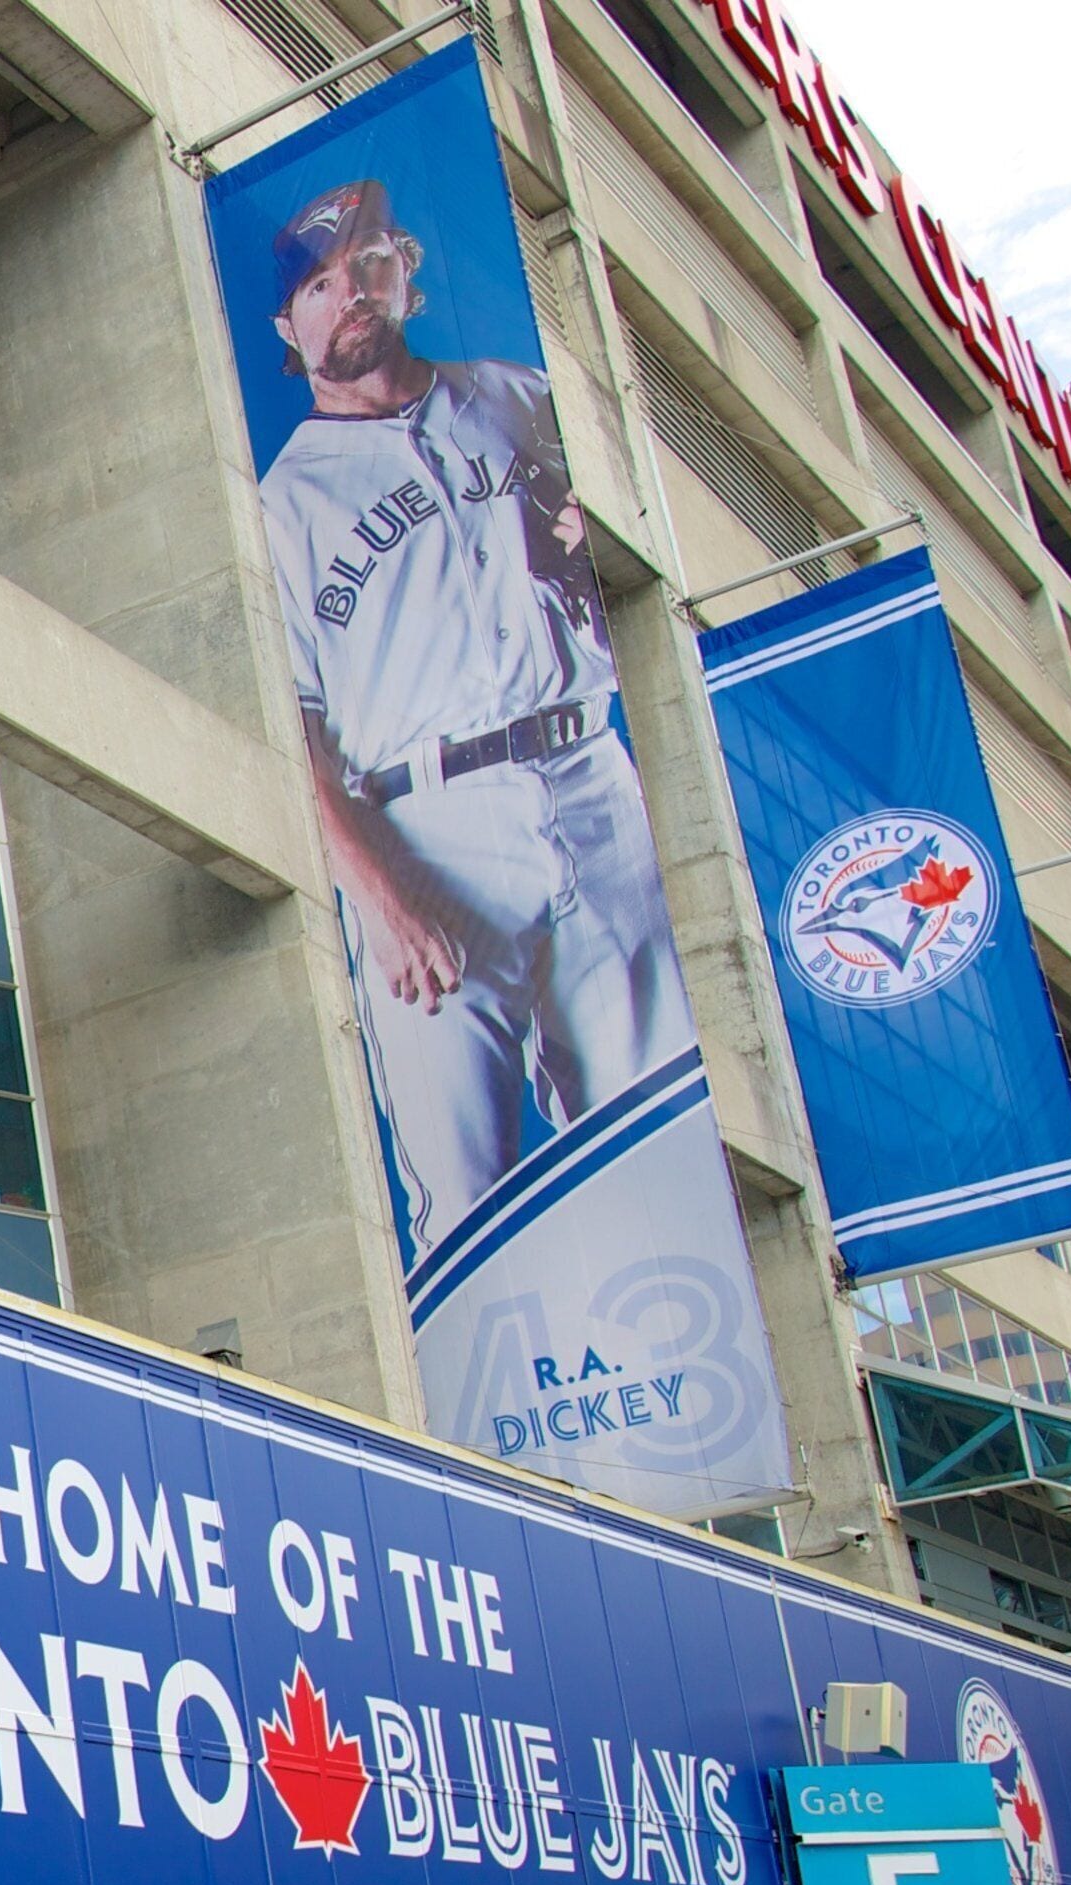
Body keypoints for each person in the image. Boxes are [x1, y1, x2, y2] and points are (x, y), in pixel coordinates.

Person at [257, 179, 693, 1258]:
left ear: (406, 270)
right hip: (425, 831)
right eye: (319, 282)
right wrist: (382, 900)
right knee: (469, 1192)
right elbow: (294, 732)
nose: (348, 293)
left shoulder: (520, 398)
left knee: (661, 1146)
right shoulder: (280, 505)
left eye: (366, 264)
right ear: (289, 324)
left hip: (590, 776)